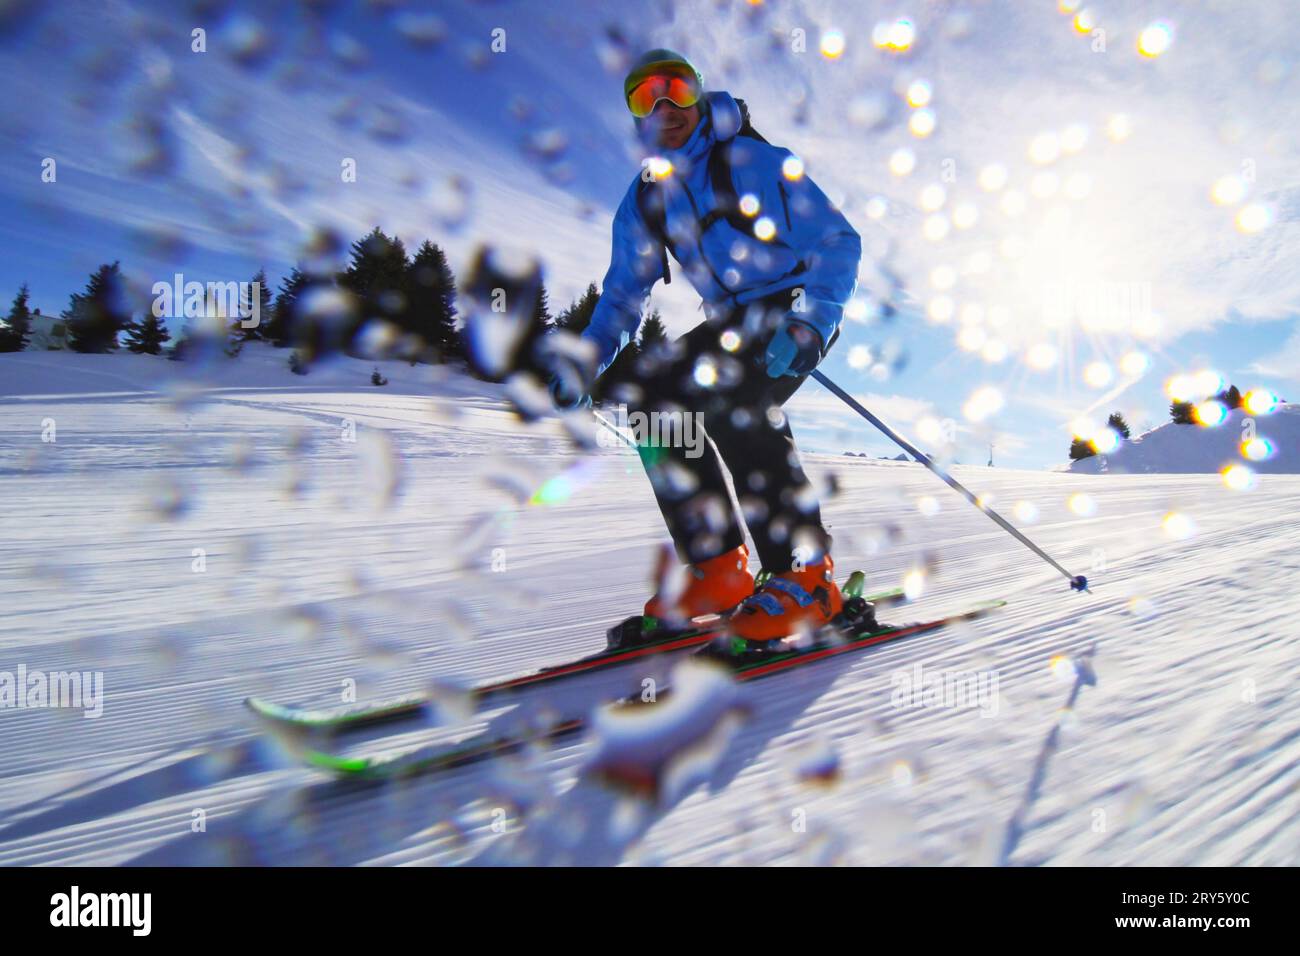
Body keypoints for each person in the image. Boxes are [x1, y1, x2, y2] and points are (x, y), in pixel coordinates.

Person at [552, 49, 862, 641]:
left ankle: (807, 574)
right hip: (731, 322)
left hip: (793, 305)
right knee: (649, 396)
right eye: (647, 98)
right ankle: (719, 567)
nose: (664, 107)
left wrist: (812, 321)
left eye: (676, 90)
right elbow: (622, 296)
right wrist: (587, 360)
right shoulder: (646, 197)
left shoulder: (754, 159)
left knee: (733, 397)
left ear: (697, 94)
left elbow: (837, 241)